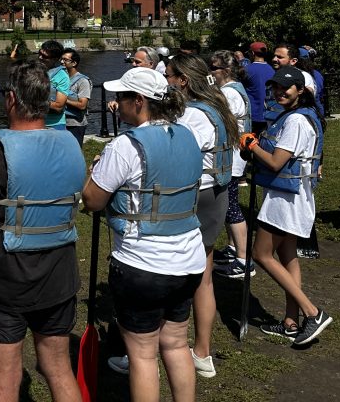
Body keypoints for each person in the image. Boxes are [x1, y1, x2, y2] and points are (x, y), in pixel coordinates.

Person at [0, 60, 86, 402]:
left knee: (4, 382)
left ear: (10, 100)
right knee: (58, 368)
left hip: (6, 278)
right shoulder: (71, 145)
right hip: (59, 270)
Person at [82, 67, 204, 402]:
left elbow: (92, 200)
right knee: (177, 343)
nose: (116, 104)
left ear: (139, 101)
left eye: (121, 97)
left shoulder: (126, 145)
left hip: (143, 264)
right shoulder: (188, 135)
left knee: (143, 355)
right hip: (189, 260)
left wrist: (93, 171)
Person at [164, 54, 239, 378]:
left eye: (169, 76)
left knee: (166, 274)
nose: (165, 81)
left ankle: (149, 347)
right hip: (217, 193)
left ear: (183, 80)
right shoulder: (217, 107)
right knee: (204, 277)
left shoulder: (192, 116)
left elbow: (175, 156)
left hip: (195, 196)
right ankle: (202, 352)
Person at [246, 67, 333, 345]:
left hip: (287, 200)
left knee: (261, 254)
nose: (279, 92)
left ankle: (312, 312)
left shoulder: (296, 120)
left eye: (287, 88)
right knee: (288, 256)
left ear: (300, 91)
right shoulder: (305, 116)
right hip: (296, 195)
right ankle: (290, 322)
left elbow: (275, 162)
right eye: (275, 88)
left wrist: (250, 145)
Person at [208, 50, 256, 279]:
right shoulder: (234, 89)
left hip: (233, 156)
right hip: (234, 154)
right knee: (230, 205)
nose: (210, 72)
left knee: (232, 207)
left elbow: (216, 118)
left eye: (213, 68)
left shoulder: (229, 93)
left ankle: (244, 260)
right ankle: (234, 249)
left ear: (225, 71)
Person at [60, 48, 91, 146]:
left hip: (75, 124)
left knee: (74, 151)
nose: (61, 62)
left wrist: (62, 100)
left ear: (74, 63)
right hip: (61, 121)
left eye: (65, 60)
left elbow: (82, 105)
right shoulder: (60, 79)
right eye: (61, 59)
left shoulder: (82, 81)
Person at [39, 40, 72, 130]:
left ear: (55, 59)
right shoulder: (34, 70)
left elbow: (59, 106)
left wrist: (34, 101)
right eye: (39, 53)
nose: (40, 57)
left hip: (54, 125)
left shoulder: (61, 76)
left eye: (44, 56)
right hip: (34, 122)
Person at [245, 42, 273, 133]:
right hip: (268, 114)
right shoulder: (272, 70)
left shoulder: (247, 70)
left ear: (252, 53)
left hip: (252, 115)